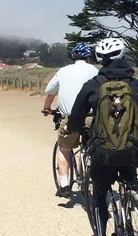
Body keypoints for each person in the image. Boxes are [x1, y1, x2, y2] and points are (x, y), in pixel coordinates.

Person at [67, 37, 138, 236]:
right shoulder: (135, 84)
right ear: (123, 56)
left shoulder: (93, 84)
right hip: (132, 149)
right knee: (130, 178)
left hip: (103, 152)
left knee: (100, 192)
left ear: (100, 59)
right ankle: (135, 212)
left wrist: (80, 130)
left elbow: (75, 118)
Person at [42, 44, 98, 198]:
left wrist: (47, 108)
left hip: (70, 119)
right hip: (92, 117)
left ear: (74, 57)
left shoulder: (64, 71)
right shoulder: (95, 71)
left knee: (64, 148)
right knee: (93, 146)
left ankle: (65, 184)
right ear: (89, 58)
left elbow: (50, 92)